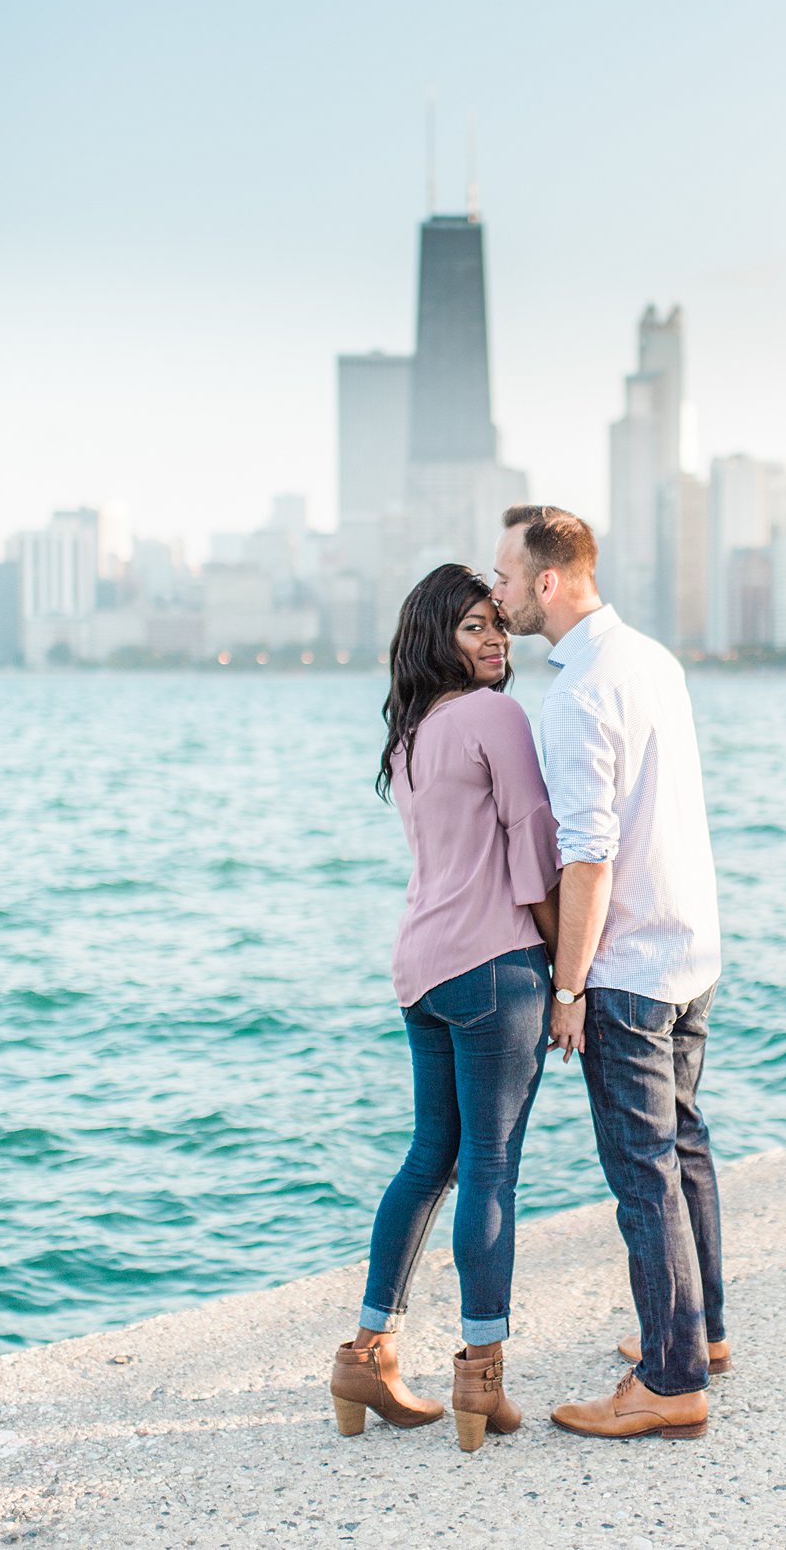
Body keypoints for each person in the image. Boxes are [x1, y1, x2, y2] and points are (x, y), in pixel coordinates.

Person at [492, 505, 726, 1442]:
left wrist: (568, 987)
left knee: (643, 1169)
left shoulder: (578, 695)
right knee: (686, 1147)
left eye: (504, 575)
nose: (497, 590)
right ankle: (697, 1336)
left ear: (548, 582)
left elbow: (587, 857)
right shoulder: (652, 660)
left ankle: (669, 1383)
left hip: (629, 964)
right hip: (691, 946)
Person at [330, 564, 560, 1453]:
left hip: (420, 971)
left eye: (498, 624)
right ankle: (482, 1373)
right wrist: (566, 969)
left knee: (430, 1159)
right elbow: (534, 841)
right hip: (496, 964)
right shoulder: (496, 716)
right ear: (440, 639)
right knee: (492, 1168)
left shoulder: (410, 733)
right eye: (473, 628)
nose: (495, 639)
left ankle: (367, 1352)